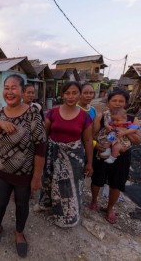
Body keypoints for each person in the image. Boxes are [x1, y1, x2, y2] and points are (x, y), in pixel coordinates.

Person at [0, 74, 46, 258]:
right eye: (6, 87)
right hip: (2, 171)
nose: (9, 92)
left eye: (14, 88)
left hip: (25, 174)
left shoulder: (33, 113)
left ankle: (19, 233)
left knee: (22, 204)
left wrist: (36, 177)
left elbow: (41, 147)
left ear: (22, 91)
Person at [38, 81, 94, 228]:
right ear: (62, 95)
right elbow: (44, 134)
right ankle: (47, 205)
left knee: (69, 186)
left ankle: (67, 217)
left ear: (79, 95)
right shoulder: (53, 112)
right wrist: (40, 156)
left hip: (74, 158)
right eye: (67, 93)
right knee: (49, 181)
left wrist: (89, 163)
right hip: (52, 154)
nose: (70, 96)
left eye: (74, 93)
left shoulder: (84, 116)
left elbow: (88, 140)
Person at [89, 89, 141, 224]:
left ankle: (110, 208)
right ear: (108, 102)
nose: (117, 104)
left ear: (126, 103)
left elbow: (138, 140)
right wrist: (96, 145)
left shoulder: (131, 119)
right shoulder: (101, 117)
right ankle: (94, 201)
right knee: (97, 179)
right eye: (114, 100)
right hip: (102, 151)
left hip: (122, 155)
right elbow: (92, 135)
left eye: (121, 101)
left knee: (117, 183)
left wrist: (123, 130)